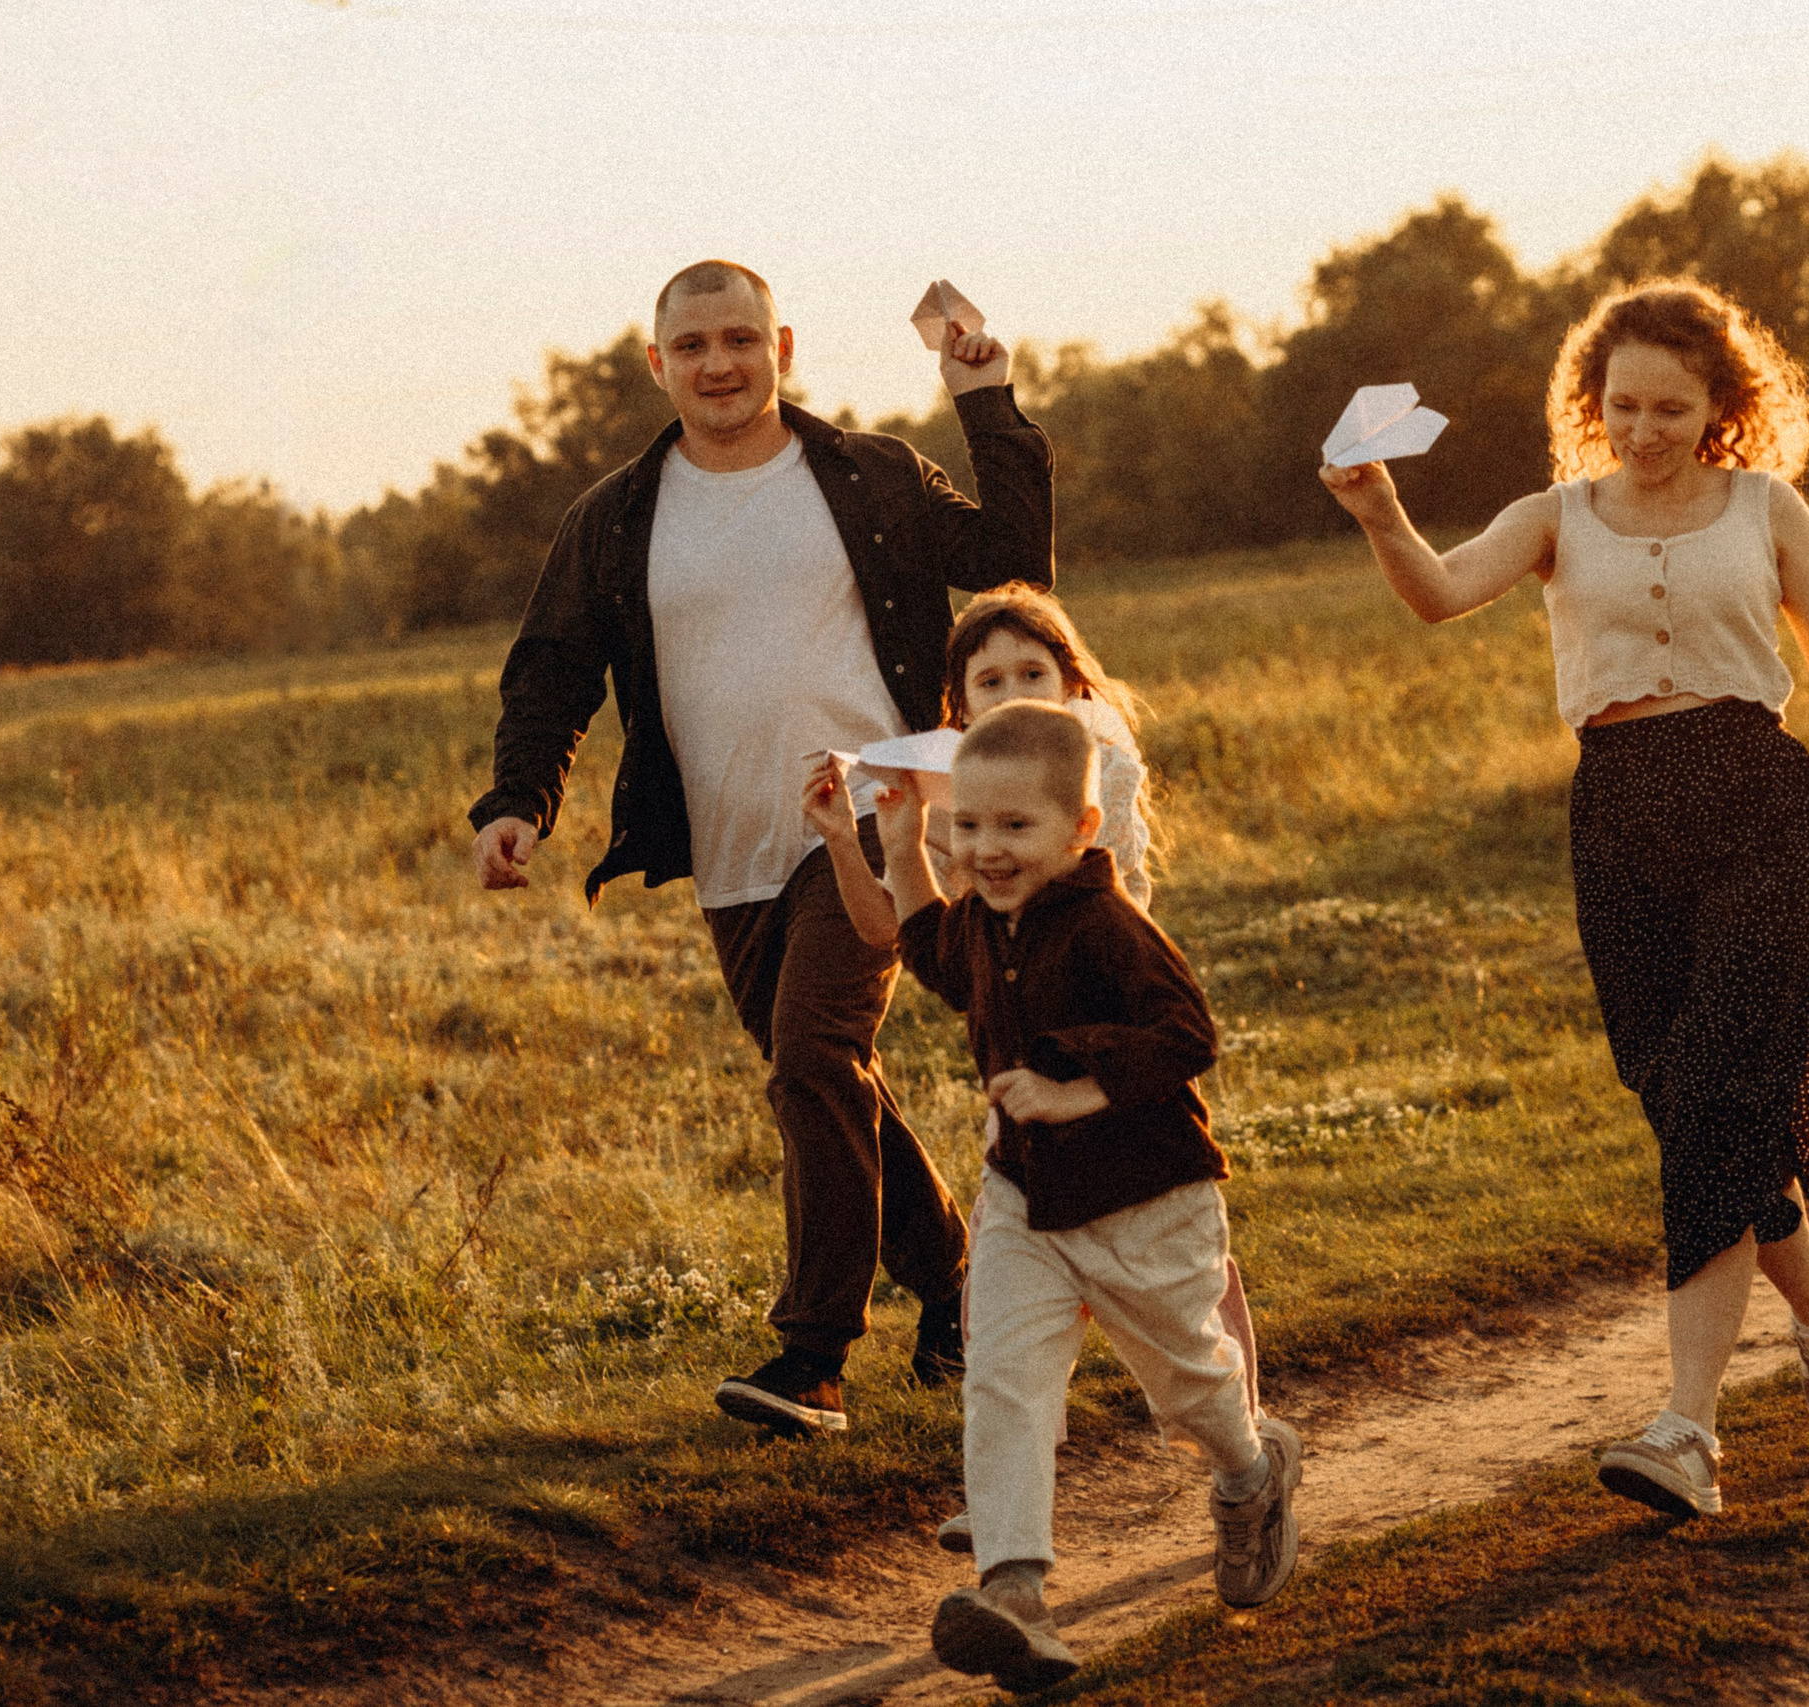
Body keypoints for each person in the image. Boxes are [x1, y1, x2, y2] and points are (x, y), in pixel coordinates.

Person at [1319, 278, 1809, 1519]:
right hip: (1622, 823)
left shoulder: (1766, 508)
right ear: (1593, 404)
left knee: (1722, 1093)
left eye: (1668, 408)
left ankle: (1686, 1429)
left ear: (1721, 409)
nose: (1641, 430)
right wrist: (1378, 513)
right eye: (1620, 405)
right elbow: (1436, 592)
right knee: (1684, 1097)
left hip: (1758, 808)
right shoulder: (1554, 516)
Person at [466, 259, 1055, 1437]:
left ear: (781, 349)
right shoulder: (616, 516)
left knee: (810, 1059)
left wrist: (984, 403)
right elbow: (552, 670)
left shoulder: (864, 473)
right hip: (723, 842)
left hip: (880, 821)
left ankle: (813, 1360)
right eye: (693, 347)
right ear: (658, 365)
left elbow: (1008, 553)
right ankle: (959, 1286)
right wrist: (516, 798)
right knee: (829, 1080)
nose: (719, 364)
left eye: (740, 339)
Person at [841, 699, 1300, 1692]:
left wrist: (1072, 1088)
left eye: (1014, 827)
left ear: (1080, 829)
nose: (986, 851)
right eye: (969, 826)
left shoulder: (1106, 925)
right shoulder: (985, 918)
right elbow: (932, 955)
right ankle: (1012, 1591)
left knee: (1187, 1387)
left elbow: (1189, 1036)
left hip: (1147, 1201)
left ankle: (1250, 1471)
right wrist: (899, 840)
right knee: (1001, 1378)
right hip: (1023, 1197)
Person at [809, 582, 1158, 946]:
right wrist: (842, 838)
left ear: (1068, 686)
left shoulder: (1103, 764)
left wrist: (953, 826)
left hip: (1099, 981)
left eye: (1033, 674)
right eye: (990, 682)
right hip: (1007, 990)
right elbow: (886, 929)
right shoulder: (952, 782)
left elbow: (1066, 885)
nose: (1014, 696)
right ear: (964, 708)